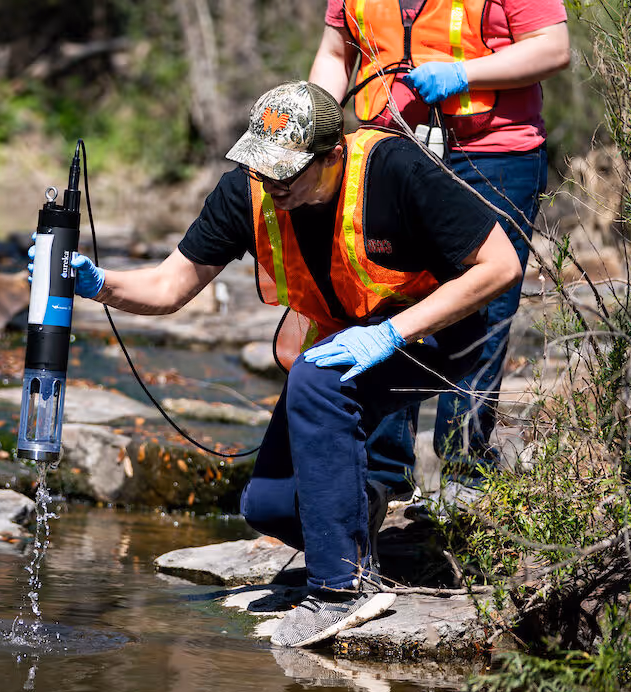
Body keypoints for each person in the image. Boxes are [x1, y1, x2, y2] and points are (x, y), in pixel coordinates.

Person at [37, 81, 520, 646]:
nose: (272, 184)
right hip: (351, 343)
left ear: (333, 154)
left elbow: (501, 266)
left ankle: (342, 590)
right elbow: (169, 286)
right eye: (263, 168)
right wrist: (97, 283)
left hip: (440, 337)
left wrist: (390, 333)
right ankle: (359, 517)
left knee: (316, 376)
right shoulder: (246, 193)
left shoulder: (396, 170)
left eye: (287, 173)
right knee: (265, 505)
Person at [309, 0, 570, 505]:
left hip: (492, 156)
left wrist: (464, 73)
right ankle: (384, 478)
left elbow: (553, 48)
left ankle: (463, 472)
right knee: (385, 296)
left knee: (484, 305)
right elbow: (334, 55)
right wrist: (315, 124)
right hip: (386, 150)